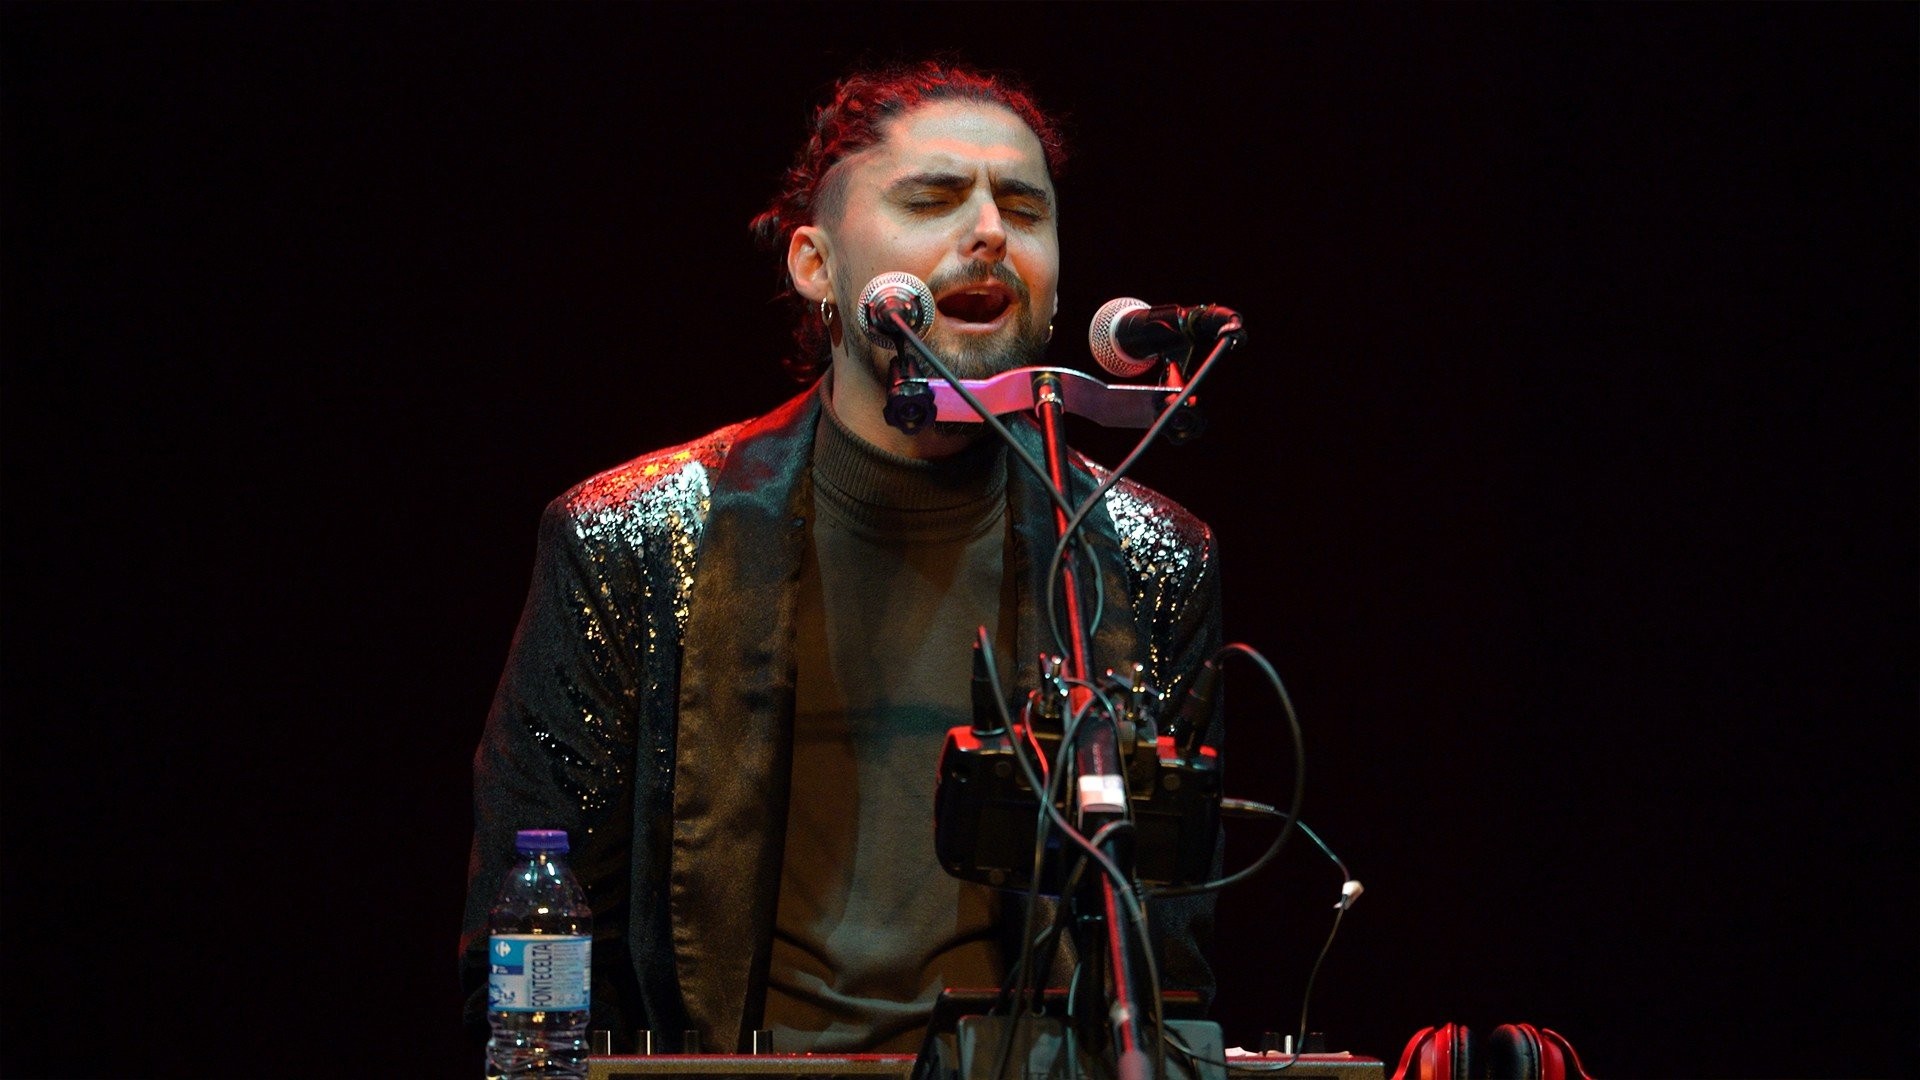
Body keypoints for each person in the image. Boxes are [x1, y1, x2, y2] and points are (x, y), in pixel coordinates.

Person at [460, 60, 1224, 1057]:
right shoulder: (630, 537)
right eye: (934, 199)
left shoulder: (1153, 554)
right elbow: (533, 946)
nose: (990, 230)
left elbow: (1169, 967)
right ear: (816, 266)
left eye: (1024, 209)